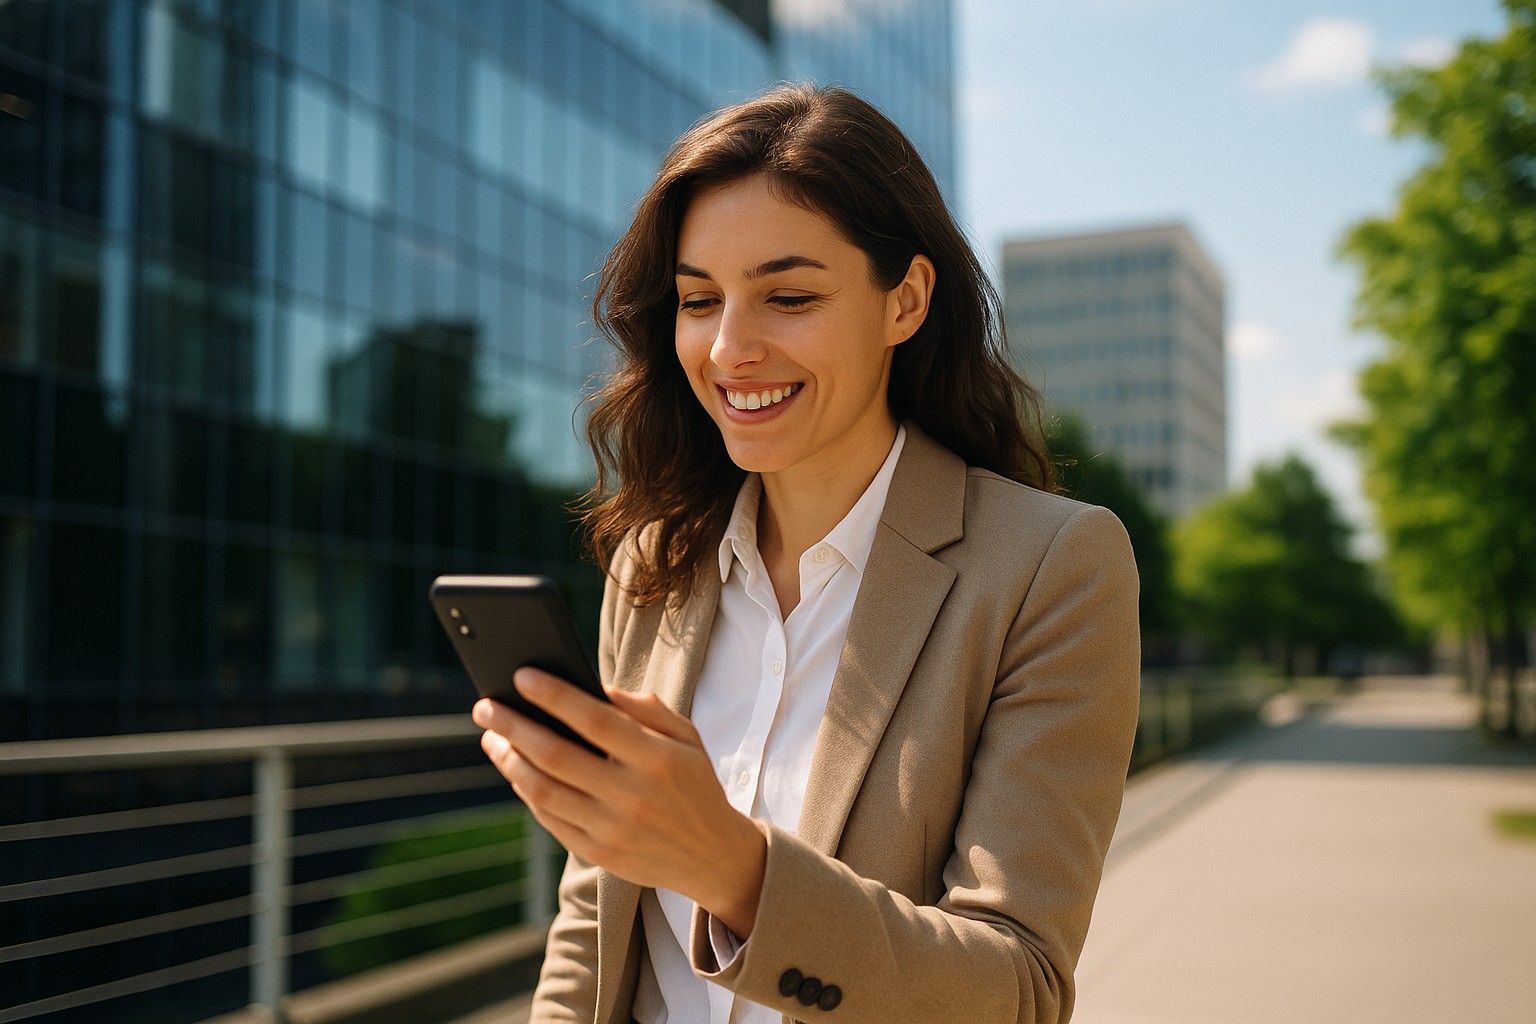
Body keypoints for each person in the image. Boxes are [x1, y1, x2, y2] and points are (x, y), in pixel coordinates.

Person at [472, 83, 1140, 1024]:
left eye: (789, 297)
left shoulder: (1052, 567)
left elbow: (1018, 986)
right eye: (699, 300)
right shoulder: (656, 564)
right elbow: (592, 923)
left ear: (905, 301)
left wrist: (731, 869)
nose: (729, 349)